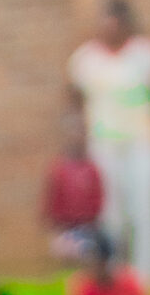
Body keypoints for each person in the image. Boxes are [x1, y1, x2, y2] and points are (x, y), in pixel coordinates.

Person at [67, 0, 150, 286]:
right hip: (104, 143)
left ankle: (147, 278)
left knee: (145, 209)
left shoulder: (148, 54)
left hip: (144, 141)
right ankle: (112, 272)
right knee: (110, 212)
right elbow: (74, 100)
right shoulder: (86, 59)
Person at [41, 108, 105, 255]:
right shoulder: (58, 168)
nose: (75, 136)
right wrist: (55, 222)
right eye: (71, 131)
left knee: (86, 255)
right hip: (64, 226)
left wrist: (92, 219)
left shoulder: (91, 168)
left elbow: (98, 196)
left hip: (87, 226)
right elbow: (52, 196)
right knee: (65, 256)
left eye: (78, 131)